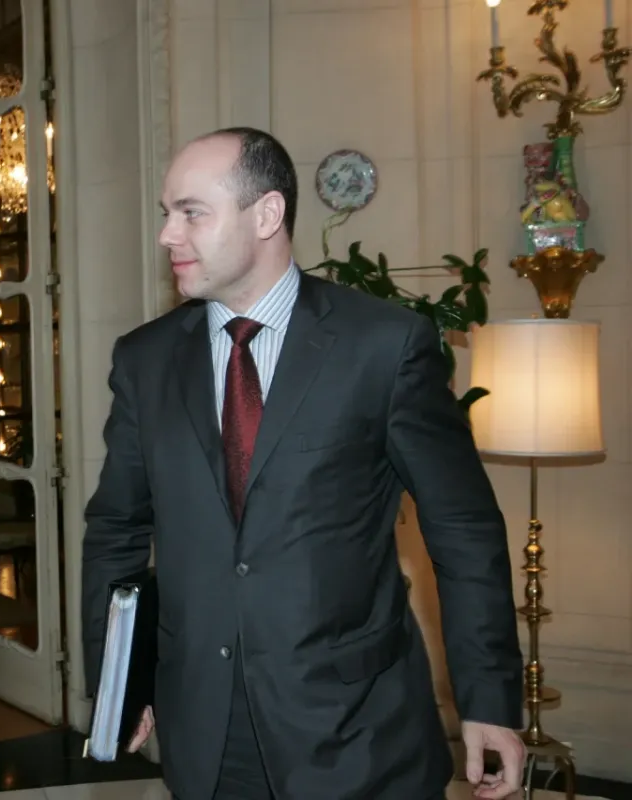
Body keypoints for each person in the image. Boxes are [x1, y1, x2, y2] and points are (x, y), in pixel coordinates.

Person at [81, 128, 525, 800]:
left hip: (358, 730)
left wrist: (488, 699)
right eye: (167, 213)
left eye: (192, 213)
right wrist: (120, 682)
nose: (168, 235)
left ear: (266, 214)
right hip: (205, 728)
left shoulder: (384, 344)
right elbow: (115, 529)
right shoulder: (144, 360)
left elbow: (462, 527)